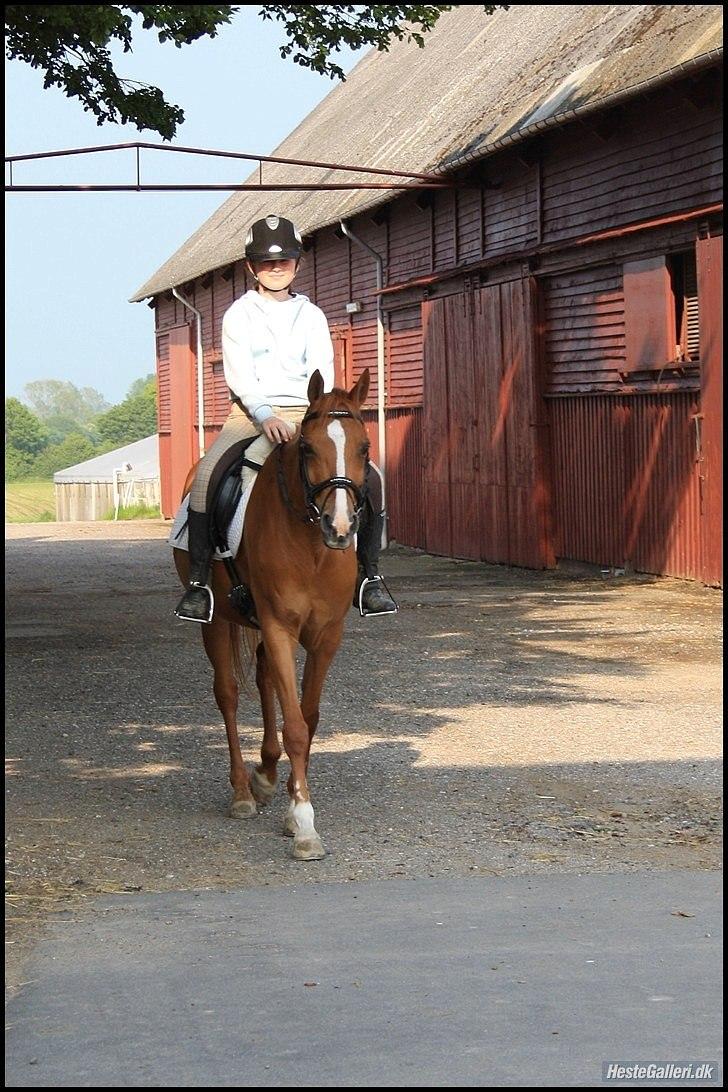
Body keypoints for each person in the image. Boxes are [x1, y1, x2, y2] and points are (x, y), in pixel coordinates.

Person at [174, 213, 398, 623]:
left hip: (311, 412)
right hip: (251, 413)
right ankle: (201, 582)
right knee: (208, 477)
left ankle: (370, 578)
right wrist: (264, 415)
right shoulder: (238, 315)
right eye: (266, 262)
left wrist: (317, 414)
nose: (276, 269)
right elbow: (239, 373)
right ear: (251, 267)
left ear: (297, 264)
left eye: (284, 261)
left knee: (373, 477)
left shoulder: (311, 316)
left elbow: (323, 371)